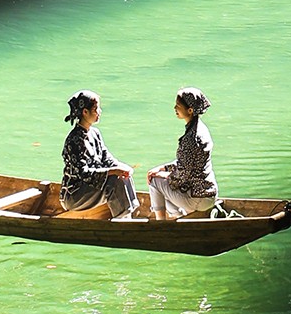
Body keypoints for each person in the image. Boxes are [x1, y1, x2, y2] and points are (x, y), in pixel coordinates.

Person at [60, 90, 137, 220]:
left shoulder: (95, 133)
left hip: (90, 189)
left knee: (122, 175)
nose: (99, 111)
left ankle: (127, 216)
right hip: (74, 195)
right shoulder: (74, 140)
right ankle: (122, 222)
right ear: (85, 112)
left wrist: (122, 168)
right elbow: (83, 174)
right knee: (113, 180)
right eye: (96, 109)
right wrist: (112, 172)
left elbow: (106, 158)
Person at [146, 87, 219, 221]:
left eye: (178, 106)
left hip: (198, 199)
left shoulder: (191, 139)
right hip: (209, 195)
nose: (175, 108)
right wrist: (163, 168)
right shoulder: (201, 129)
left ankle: (160, 224)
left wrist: (164, 176)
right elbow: (187, 162)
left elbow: (183, 173)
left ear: (190, 110)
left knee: (154, 181)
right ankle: (179, 217)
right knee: (161, 183)